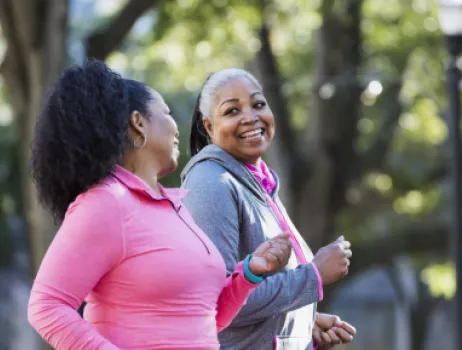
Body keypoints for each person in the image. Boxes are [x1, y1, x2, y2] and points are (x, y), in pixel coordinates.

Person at [27, 60, 294, 350]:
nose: (176, 128)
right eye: (166, 113)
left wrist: (250, 272)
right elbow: (46, 306)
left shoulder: (175, 207)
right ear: (138, 122)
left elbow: (204, 318)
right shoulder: (106, 203)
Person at [181, 68, 356, 350]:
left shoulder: (258, 182)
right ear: (209, 126)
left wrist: (300, 322)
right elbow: (219, 300)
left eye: (258, 104)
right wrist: (313, 275)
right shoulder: (212, 182)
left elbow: (259, 296)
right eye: (232, 111)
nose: (250, 117)